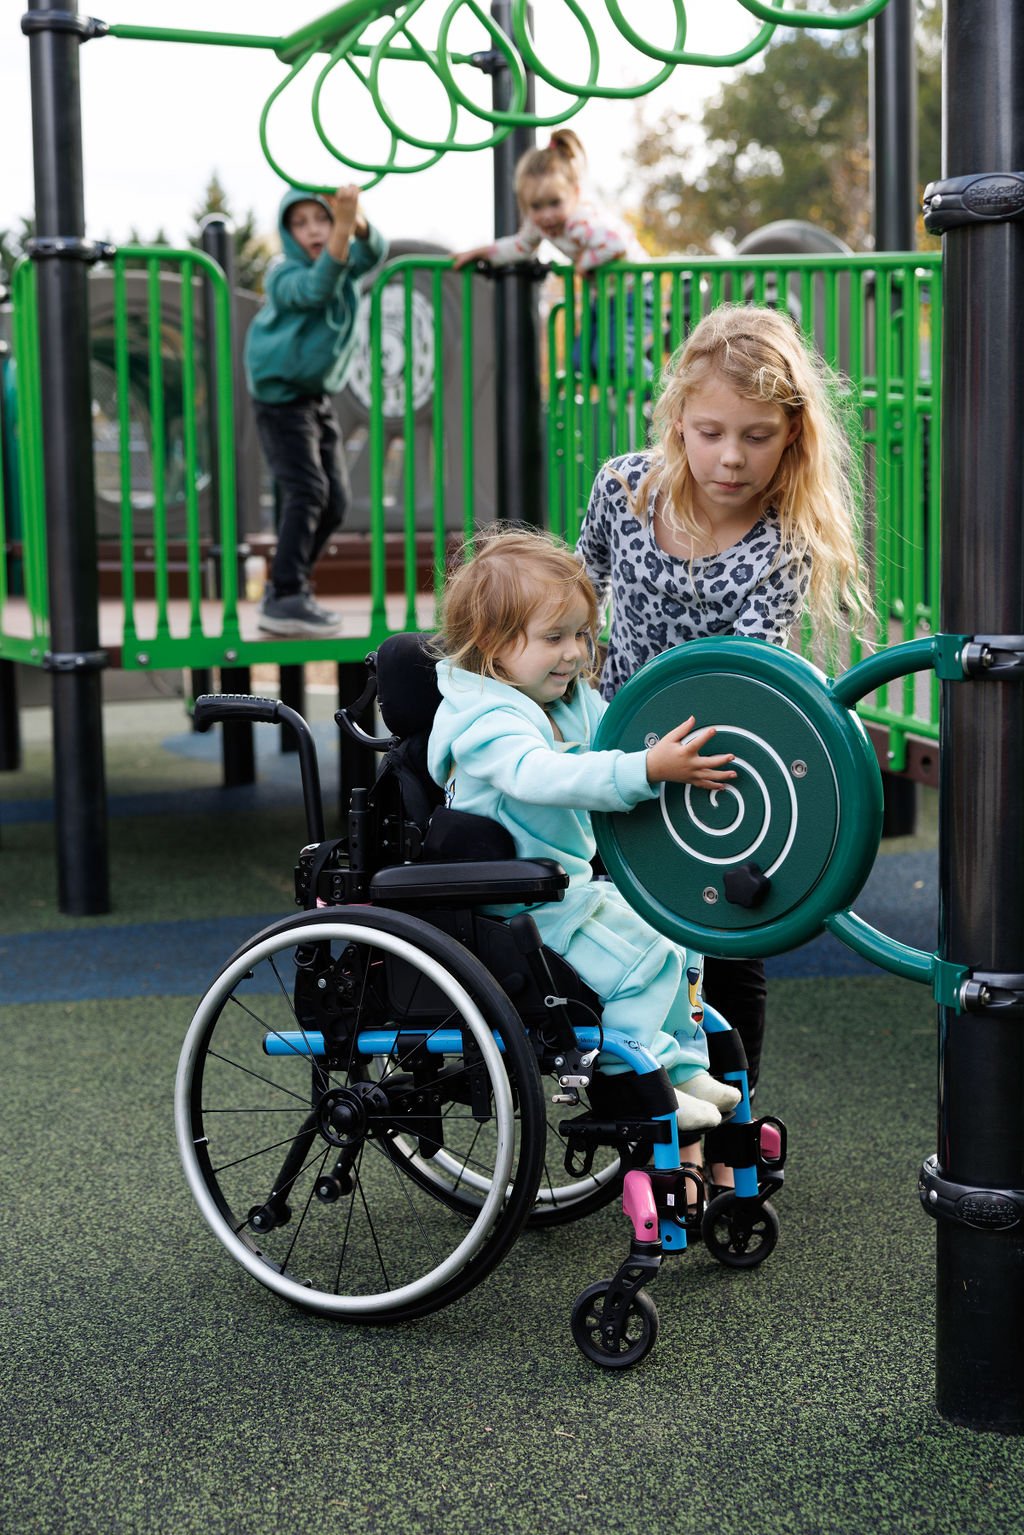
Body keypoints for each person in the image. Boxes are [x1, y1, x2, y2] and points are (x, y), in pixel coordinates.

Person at [577, 302, 870, 1157]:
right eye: (709, 431)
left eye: (756, 435)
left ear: (792, 438)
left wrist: (679, 760)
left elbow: (742, 682)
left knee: (726, 943)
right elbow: (580, 601)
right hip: (619, 753)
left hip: (720, 770)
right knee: (615, 928)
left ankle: (727, 1128)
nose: (730, 457)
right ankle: (648, 1108)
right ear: (677, 421)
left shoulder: (784, 539)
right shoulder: (624, 490)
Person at [427, 524, 743, 1135]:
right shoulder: (483, 717)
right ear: (493, 645)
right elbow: (538, 774)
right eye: (554, 637)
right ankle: (627, 1080)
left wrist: (668, 746)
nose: (574, 653)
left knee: (677, 930)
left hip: (563, 889)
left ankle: (677, 1064)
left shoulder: (562, 699)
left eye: (581, 634)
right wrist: (646, 770)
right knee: (643, 959)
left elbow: (619, 737)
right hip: (507, 901)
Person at [244, 185, 388, 636]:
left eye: (321, 220)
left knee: (335, 501)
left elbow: (375, 250)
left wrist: (354, 219)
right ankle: (284, 594)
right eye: (300, 223)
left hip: (312, 395)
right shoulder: (282, 276)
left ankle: (288, 590)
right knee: (306, 491)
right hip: (279, 393)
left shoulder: (346, 266)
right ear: (287, 234)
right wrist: (341, 228)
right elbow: (316, 289)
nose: (312, 230)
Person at [452, 129, 651, 377]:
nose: (546, 215)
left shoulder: (580, 221)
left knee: (611, 356)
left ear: (574, 194)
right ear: (524, 205)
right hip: (606, 296)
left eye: (555, 203)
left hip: (636, 290)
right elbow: (519, 247)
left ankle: (662, 393)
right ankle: (632, 393)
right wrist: (480, 252)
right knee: (581, 361)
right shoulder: (540, 226)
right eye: (536, 207)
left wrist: (585, 262)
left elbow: (617, 243)